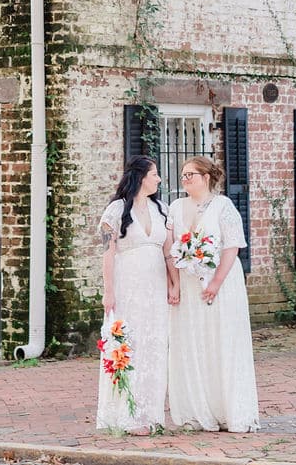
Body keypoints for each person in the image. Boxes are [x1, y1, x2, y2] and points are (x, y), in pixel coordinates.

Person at [166, 155, 259, 432]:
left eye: (190, 175)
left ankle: (229, 410)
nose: (185, 180)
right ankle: (198, 410)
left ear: (206, 178)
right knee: (192, 343)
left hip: (219, 285)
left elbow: (232, 247)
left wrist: (216, 283)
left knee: (220, 341)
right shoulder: (175, 207)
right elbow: (169, 247)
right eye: (182, 175)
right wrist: (175, 283)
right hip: (189, 283)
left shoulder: (223, 206)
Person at [96, 155, 180, 434]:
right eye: (154, 174)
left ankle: (149, 414)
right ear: (141, 176)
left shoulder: (162, 210)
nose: (158, 179)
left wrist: (174, 284)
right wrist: (109, 292)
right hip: (126, 285)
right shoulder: (116, 210)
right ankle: (126, 415)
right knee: (126, 345)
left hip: (155, 287)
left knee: (153, 346)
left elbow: (168, 252)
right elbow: (108, 254)